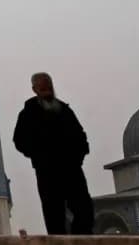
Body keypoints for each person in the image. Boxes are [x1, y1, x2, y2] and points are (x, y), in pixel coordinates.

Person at [12, 72, 94, 235]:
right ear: (35, 89)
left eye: (48, 86)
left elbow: (80, 136)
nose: (47, 90)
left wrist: (79, 156)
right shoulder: (29, 114)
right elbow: (19, 140)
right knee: (53, 212)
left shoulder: (64, 110)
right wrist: (39, 156)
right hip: (47, 171)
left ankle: (81, 242)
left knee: (83, 209)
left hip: (71, 168)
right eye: (43, 87)